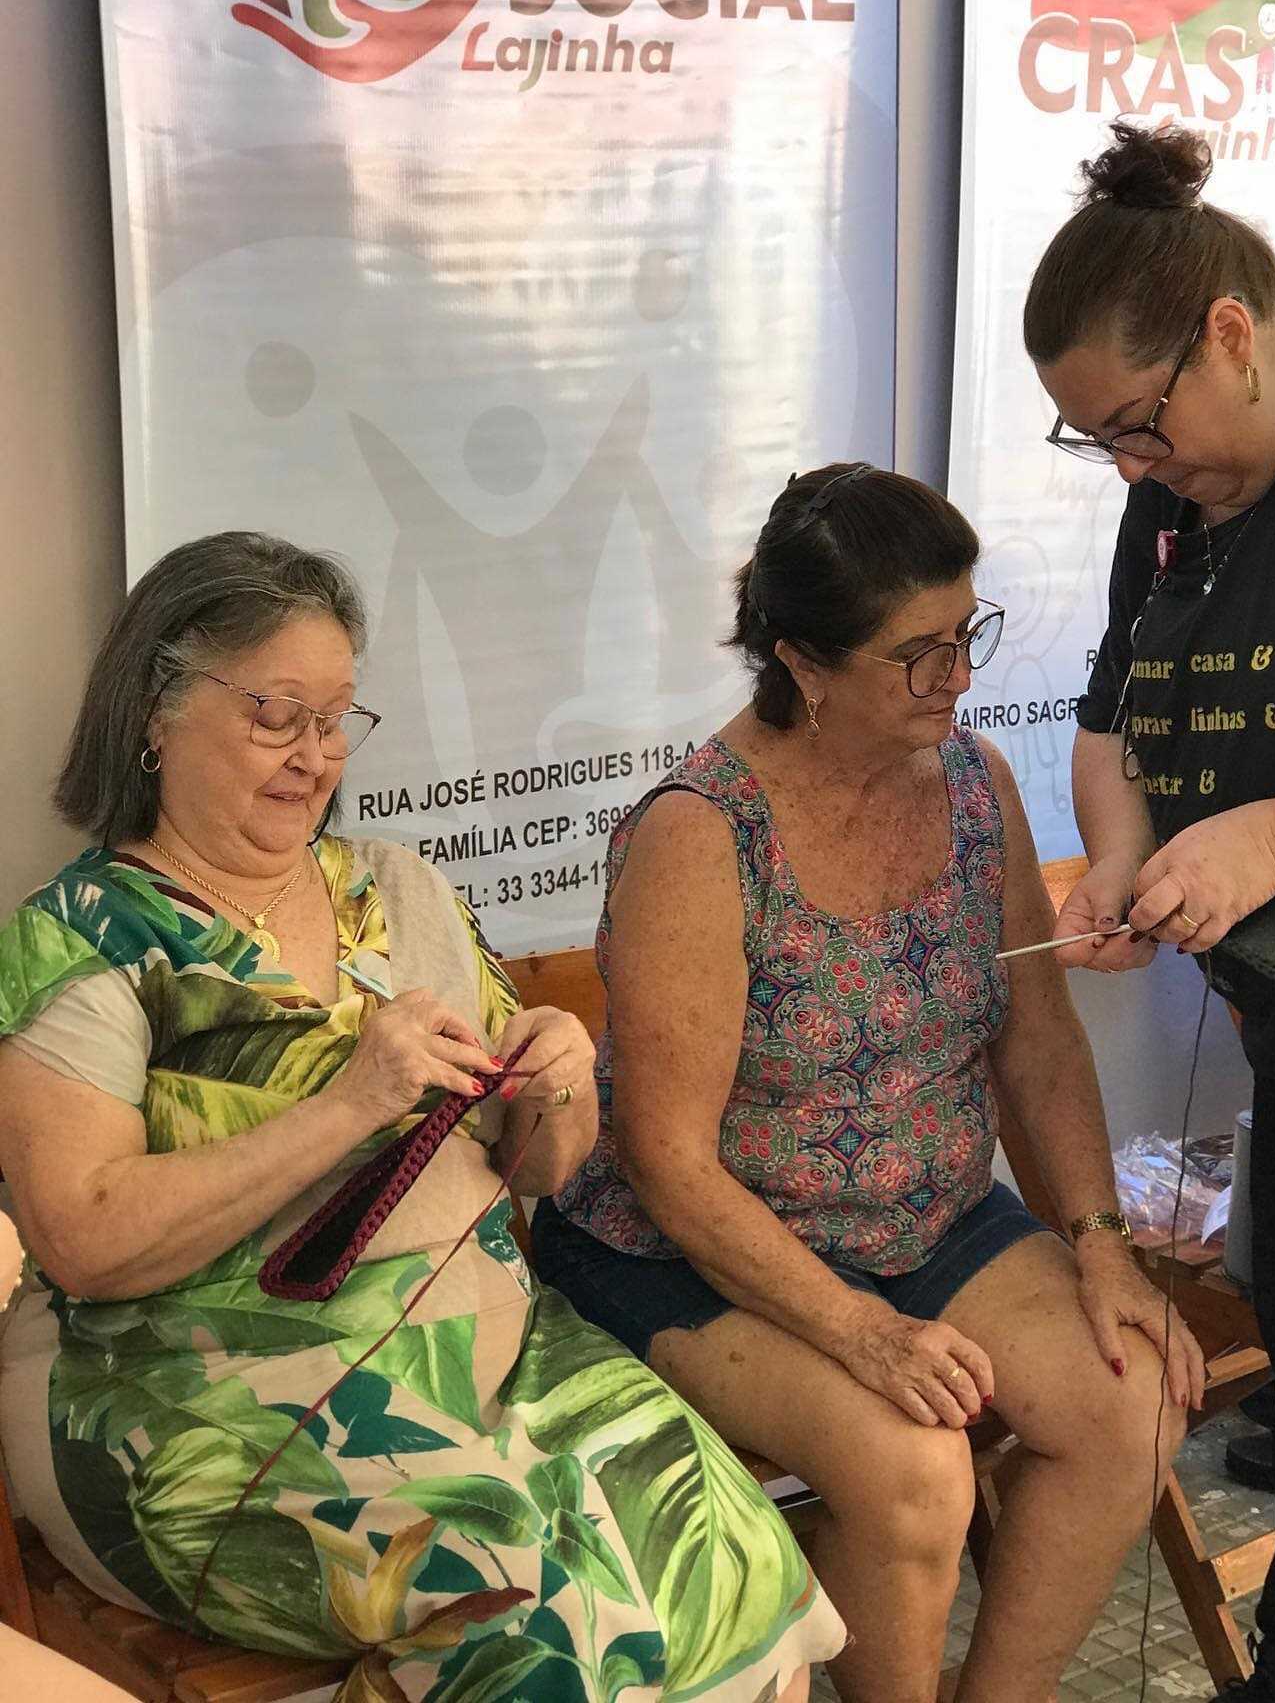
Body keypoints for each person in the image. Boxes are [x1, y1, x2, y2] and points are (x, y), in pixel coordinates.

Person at [0, 532, 843, 1703]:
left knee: (729, 1554)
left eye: (337, 719)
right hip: (190, 1411)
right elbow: (85, 1236)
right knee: (536, 1615)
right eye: (277, 716)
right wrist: (353, 1101)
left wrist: (558, 1081)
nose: (315, 757)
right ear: (155, 710)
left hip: (483, 1356)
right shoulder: (86, 937)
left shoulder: (398, 886)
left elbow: (537, 1163)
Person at [532, 464, 1204, 1703]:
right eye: (917, 656)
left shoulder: (971, 780)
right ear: (803, 663)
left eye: (966, 637)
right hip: (696, 1247)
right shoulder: (701, 831)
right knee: (917, 1470)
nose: (957, 679)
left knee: (1135, 1391)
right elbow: (668, 1161)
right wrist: (861, 1332)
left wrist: (1101, 1244)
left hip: (921, 1216)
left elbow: (1037, 1039)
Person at [1026, 119, 1275, 1703]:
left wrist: (1266, 840)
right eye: (1101, 449)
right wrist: (1125, 857)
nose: (1135, 472)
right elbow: (1113, 719)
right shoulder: (1182, 482)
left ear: (1229, 335)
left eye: (1137, 427)